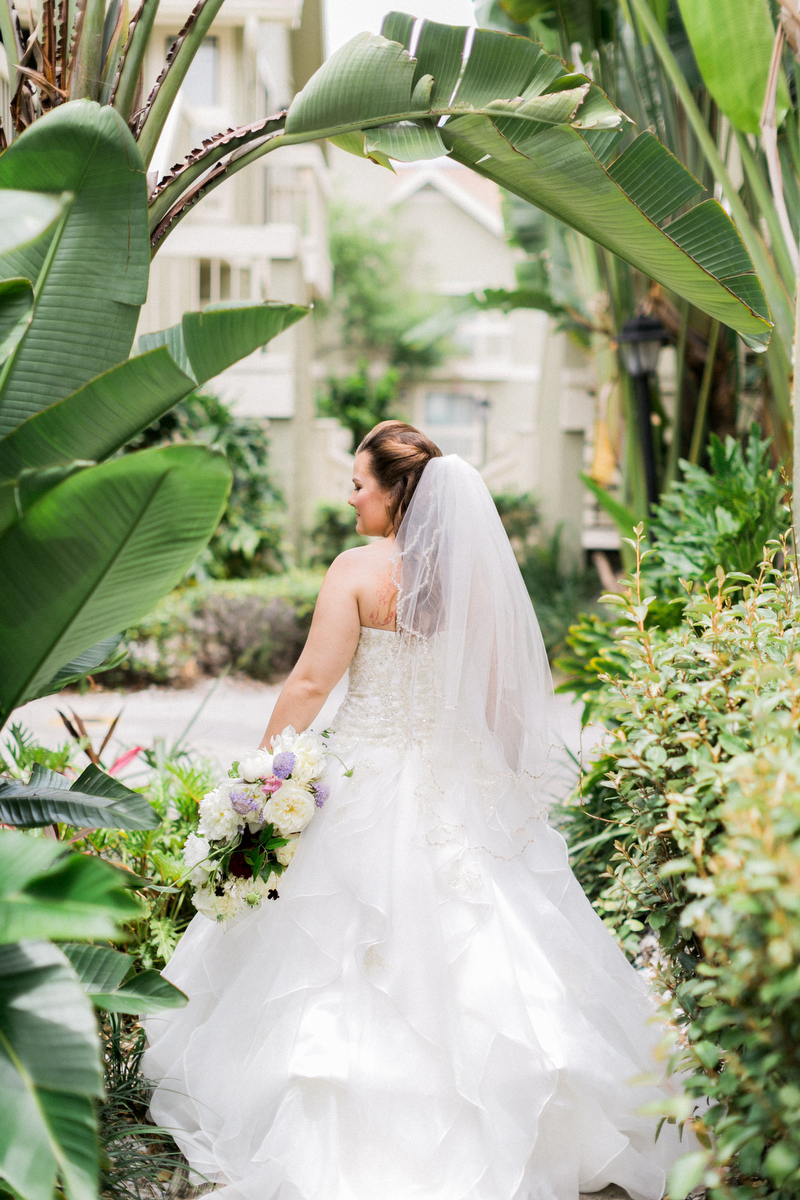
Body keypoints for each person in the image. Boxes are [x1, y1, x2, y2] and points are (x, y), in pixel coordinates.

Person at [144, 421, 691, 1200]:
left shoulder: (358, 571)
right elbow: (503, 702)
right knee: (496, 940)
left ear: (398, 491)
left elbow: (308, 686)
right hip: (452, 785)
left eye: (359, 483)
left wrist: (261, 785)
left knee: (331, 956)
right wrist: (502, 793)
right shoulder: (471, 582)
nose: (349, 496)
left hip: (365, 780)